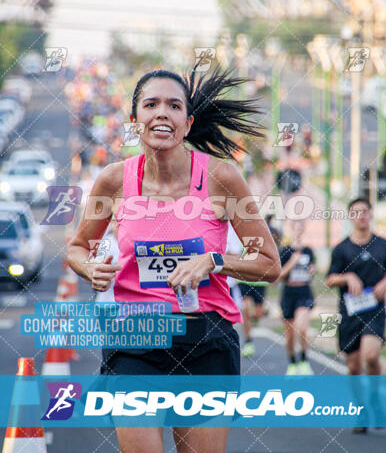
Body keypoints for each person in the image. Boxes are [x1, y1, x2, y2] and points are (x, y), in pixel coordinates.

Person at [67, 66, 281, 453]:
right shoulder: (113, 181)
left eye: (174, 105)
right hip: (136, 340)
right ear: (135, 121)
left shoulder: (222, 178)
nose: (162, 113)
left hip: (206, 339)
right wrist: (89, 267)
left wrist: (214, 261)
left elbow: (269, 263)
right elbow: (78, 246)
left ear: (188, 122)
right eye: (151, 105)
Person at [325, 197, 386, 433]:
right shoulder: (342, 248)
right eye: (355, 212)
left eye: (364, 211)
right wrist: (348, 277)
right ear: (350, 217)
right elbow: (330, 278)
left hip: (375, 310)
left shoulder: (384, 245)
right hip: (350, 313)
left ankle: (375, 398)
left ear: (371, 214)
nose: (361, 215)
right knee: (354, 367)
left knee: (371, 356)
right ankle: (362, 410)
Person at [238, 215, 281, 357]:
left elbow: (274, 256)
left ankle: (251, 321)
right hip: (244, 280)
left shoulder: (270, 235)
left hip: (260, 282)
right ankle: (248, 340)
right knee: (245, 308)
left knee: (258, 314)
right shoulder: (244, 234)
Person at [279, 220, 315, 375]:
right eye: (296, 228)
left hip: (304, 291)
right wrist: (292, 263)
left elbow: (312, 269)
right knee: (289, 335)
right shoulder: (285, 252)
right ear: (291, 230)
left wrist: (313, 271)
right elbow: (278, 275)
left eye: (301, 228)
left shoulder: (308, 251)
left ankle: (304, 360)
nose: (299, 231)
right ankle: (293, 363)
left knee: (302, 328)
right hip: (289, 292)